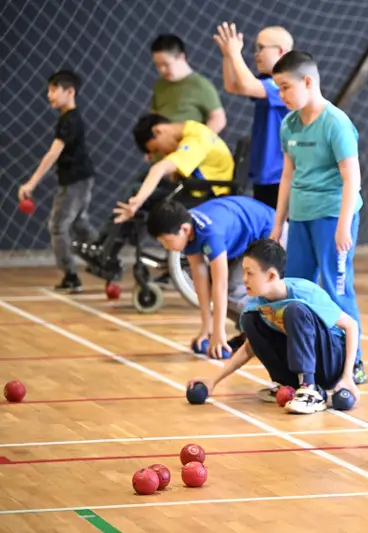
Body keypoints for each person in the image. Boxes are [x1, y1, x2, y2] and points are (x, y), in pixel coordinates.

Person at [267, 51, 368, 384]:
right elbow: (287, 175)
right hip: (301, 217)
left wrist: (342, 225)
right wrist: (279, 222)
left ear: (308, 81)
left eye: (285, 87)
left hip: (332, 217)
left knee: (337, 288)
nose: (280, 95)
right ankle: (301, 367)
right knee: (296, 289)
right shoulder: (289, 125)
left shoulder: (336, 123)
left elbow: (352, 178)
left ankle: (354, 364)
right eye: (277, 88)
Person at [187, 238, 360, 414]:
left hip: (330, 361)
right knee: (250, 319)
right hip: (308, 363)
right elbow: (249, 347)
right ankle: (291, 384)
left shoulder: (305, 292)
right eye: (243, 272)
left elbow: (351, 326)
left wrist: (347, 377)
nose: (244, 279)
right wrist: (213, 381)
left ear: (271, 276)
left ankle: (310, 390)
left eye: (250, 273)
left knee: (294, 310)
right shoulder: (258, 303)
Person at [74, 114, 234, 279]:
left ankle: (106, 253)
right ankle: (105, 248)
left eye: (156, 149)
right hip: (197, 190)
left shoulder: (196, 139)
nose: (162, 153)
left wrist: (138, 201)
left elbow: (160, 168)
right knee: (138, 186)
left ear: (158, 130)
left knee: (138, 195)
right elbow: (175, 174)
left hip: (208, 197)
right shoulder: (191, 129)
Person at [146, 197, 275, 358]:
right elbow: (201, 279)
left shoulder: (210, 234)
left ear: (184, 230)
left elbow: (221, 284)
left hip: (270, 232)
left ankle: (271, 330)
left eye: (166, 241)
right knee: (222, 293)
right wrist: (207, 328)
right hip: (243, 241)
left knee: (233, 292)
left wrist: (218, 333)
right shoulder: (188, 230)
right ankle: (252, 332)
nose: (166, 247)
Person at [18, 70, 99, 293]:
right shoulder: (67, 118)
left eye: (54, 90)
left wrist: (31, 183)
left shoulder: (70, 121)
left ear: (69, 92)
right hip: (78, 179)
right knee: (79, 224)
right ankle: (106, 259)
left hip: (75, 181)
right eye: (49, 90)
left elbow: (52, 154)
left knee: (57, 226)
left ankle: (72, 276)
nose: (49, 95)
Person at [214, 22, 293, 209]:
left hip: (281, 175)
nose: (256, 53)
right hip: (264, 174)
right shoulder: (266, 82)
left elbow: (248, 85)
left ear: (281, 51)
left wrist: (235, 54)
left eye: (261, 48)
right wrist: (227, 55)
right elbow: (233, 85)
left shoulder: (287, 83)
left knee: (281, 232)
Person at [151, 34, 226, 134]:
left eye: (166, 64)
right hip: (163, 146)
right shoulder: (160, 85)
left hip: (189, 145)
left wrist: (199, 141)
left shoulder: (201, 85)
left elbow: (219, 119)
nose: (162, 70)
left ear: (181, 57)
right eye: (158, 65)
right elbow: (154, 116)